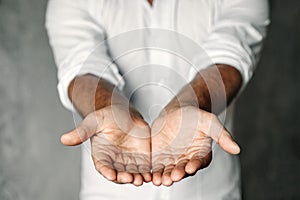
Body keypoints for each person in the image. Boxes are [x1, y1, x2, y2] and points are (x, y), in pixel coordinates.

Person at [45, 0, 269, 199]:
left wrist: (192, 104)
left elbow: (230, 55)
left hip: (210, 191)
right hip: (108, 191)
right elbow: (82, 67)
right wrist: (108, 107)